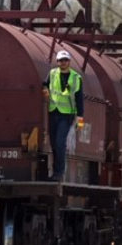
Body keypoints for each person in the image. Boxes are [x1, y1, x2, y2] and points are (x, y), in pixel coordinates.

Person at [42, 50, 84, 181]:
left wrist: (80, 121)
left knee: (60, 143)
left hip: (67, 115)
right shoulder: (53, 73)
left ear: (69, 62)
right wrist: (45, 90)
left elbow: (79, 100)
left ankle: (59, 173)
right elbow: (45, 84)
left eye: (65, 60)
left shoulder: (76, 78)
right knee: (54, 143)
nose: (63, 63)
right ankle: (55, 172)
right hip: (53, 111)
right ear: (57, 62)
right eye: (60, 60)